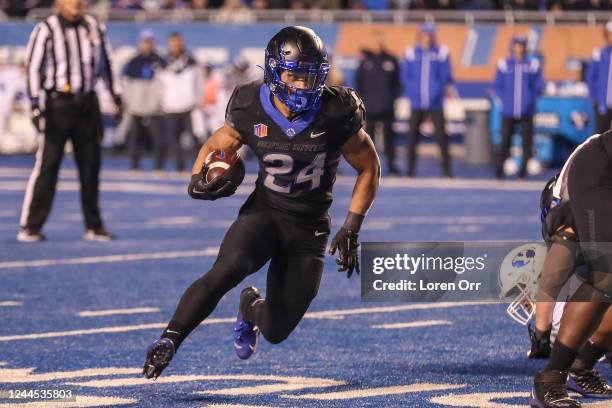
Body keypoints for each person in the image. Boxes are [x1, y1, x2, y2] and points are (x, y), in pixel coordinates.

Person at [142, 26, 380, 379]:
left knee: (277, 330)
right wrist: (197, 178)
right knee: (228, 268)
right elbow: (215, 145)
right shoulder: (251, 104)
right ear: (273, 72)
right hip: (265, 212)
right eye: (294, 75)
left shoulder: (336, 110)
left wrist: (351, 226)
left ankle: (251, 306)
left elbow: (369, 167)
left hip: (308, 227)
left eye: (310, 76)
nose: (302, 85)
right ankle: (170, 338)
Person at [18, 0, 121, 242]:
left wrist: (116, 96)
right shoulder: (47, 28)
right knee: (48, 164)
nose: (76, 2)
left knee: (90, 167)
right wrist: (35, 105)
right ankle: (31, 226)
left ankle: (93, 225)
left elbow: (107, 63)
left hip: (87, 103)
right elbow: (34, 68)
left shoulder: (94, 26)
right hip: (58, 103)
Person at [530, 130, 612, 408]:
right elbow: (552, 277)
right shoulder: (567, 219)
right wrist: (540, 332)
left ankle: (583, 362)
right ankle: (550, 379)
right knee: (607, 276)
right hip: (602, 171)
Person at [401, 23, 454, 178]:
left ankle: (447, 170)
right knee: (412, 138)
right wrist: (414, 93)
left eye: (429, 35)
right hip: (417, 102)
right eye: (424, 35)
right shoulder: (412, 53)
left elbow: (446, 76)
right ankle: (410, 170)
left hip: (436, 102)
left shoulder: (441, 53)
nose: (426, 38)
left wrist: (435, 93)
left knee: (442, 138)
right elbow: (406, 77)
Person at [493, 35, 543, 180]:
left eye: (522, 45)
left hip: (526, 110)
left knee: (527, 142)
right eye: (517, 45)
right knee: (505, 141)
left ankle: (522, 173)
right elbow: (498, 86)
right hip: (508, 110)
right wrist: (505, 101)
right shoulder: (505, 64)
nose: (519, 48)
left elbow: (538, 86)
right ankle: (499, 172)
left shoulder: (532, 64)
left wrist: (530, 99)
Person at [356, 33, 400, 175]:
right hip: (370, 108)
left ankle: (392, 166)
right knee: (369, 140)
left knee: (389, 139)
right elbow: (359, 83)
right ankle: (369, 167)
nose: (378, 45)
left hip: (387, 107)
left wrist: (392, 98)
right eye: (375, 42)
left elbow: (398, 83)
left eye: (380, 42)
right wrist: (363, 101)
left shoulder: (391, 60)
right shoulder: (365, 62)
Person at [121, 29, 166, 170]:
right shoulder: (134, 61)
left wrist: (160, 101)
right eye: (145, 41)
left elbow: (166, 83)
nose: (147, 44)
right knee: (135, 138)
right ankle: (134, 166)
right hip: (136, 107)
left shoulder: (160, 60)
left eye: (150, 41)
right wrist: (128, 102)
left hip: (154, 108)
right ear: (140, 43)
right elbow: (126, 84)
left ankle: (159, 167)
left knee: (158, 139)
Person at [159, 32, 203, 172]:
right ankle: (179, 167)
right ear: (169, 43)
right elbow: (159, 84)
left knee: (195, 138)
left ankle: (199, 167)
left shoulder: (192, 60)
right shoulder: (163, 61)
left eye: (178, 42)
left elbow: (199, 82)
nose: (176, 45)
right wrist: (162, 101)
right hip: (170, 107)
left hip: (190, 106)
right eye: (173, 42)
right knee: (174, 139)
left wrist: (198, 99)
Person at [586, 21, 612, 135]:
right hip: (602, 102)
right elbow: (591, 77)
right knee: (600, 136)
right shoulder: (599, 53)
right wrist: (594, 97)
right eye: (610, 34)